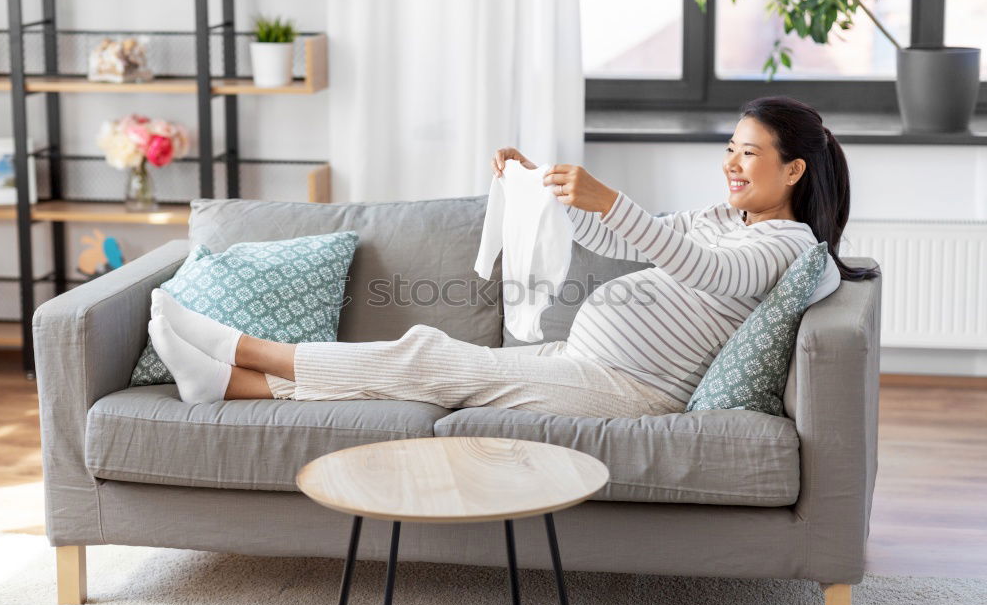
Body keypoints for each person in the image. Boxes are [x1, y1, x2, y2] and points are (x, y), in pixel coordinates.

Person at [147, 95, 879, 418]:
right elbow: (617, 240)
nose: (731, 164)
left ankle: (243, 348)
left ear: (793, 171)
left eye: (748, 154)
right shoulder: (725, 214)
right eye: (728, 149)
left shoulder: (786, 244)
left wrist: (614, 199)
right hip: (583, 365)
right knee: (421, 366)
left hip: (628, 392)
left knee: (423, 357)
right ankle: (226, 385)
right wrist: (545, 184)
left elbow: (705, 271)